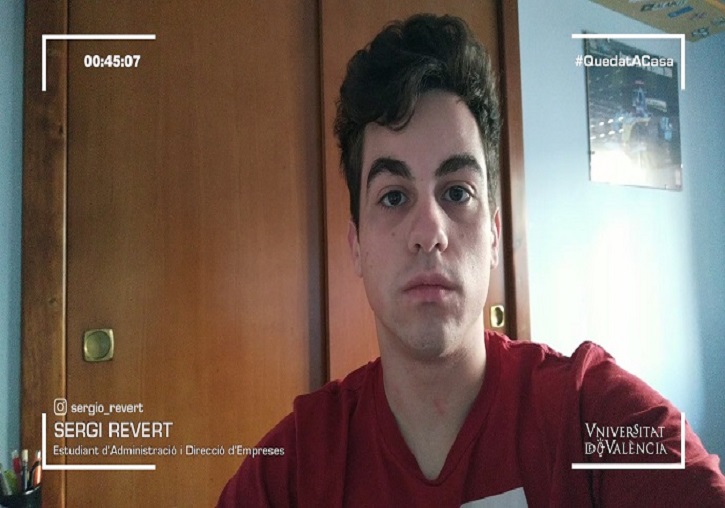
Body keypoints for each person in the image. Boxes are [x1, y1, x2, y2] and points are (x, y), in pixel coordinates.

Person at [218, 13, 725, 506]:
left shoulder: (592, 418)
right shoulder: (291, 473)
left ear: (495, 235)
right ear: (356, 247)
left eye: (457, 192)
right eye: (393, 196)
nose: (429, 232)